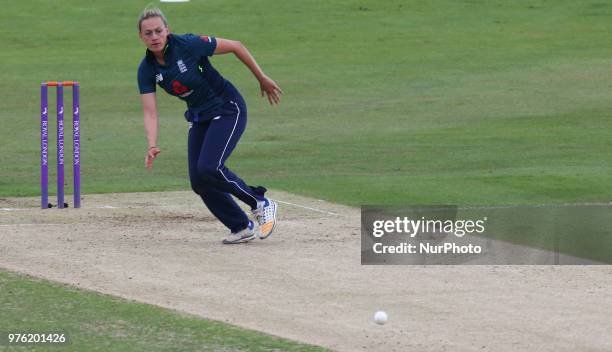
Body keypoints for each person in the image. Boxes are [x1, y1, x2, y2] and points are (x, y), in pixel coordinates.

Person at [137, 6, 281, 244]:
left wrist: (261, 77)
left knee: (209, 167)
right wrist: (152, 144)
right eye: (148, 33)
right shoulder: (147, 69)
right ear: (141, 37)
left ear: (167, 31)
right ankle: (241, 226)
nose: (154, 37)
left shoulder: (189, 44)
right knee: (199, 180)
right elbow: (150, 111)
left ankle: (260, 202)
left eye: (158, 31)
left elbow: (236, 46)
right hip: (199, 116)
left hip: (227, 107)